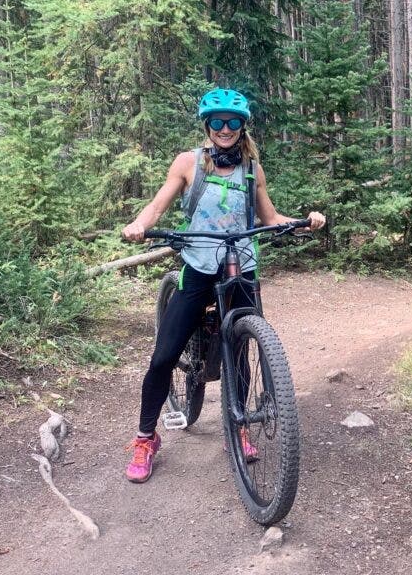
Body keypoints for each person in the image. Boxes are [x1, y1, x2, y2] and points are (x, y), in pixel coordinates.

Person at [121, 88, 325, 483]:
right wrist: (140, 224)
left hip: (241, 266)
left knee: (242, 348)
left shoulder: (252, 168)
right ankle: (146, 438)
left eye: (233, 122)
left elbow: (271, 218)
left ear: (242, 126)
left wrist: (305, 221)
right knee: (164, 356)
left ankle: (240, 424)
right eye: (218, 121)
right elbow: (157, 206)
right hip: (199, 265)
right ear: (207, 125)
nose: (225, 128)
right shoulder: (188, 163)